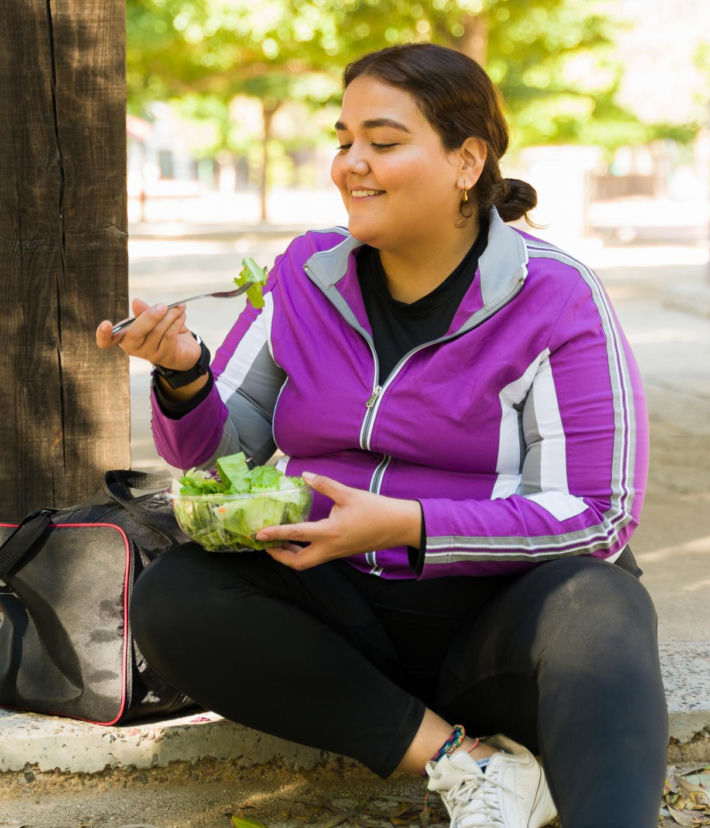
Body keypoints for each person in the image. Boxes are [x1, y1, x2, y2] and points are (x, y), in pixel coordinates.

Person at [96, 42, 666, 827]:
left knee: (601, 608)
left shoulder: (555, 298)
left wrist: (414, 526)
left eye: (384, 142)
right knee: (176, 595)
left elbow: (598, 510)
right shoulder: (305, 273)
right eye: (343, 140)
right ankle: (465, 764)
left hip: (493, 623)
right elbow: (217, 455)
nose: (350, 165)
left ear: (467, 162)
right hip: (343, 623)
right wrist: (184, 370)